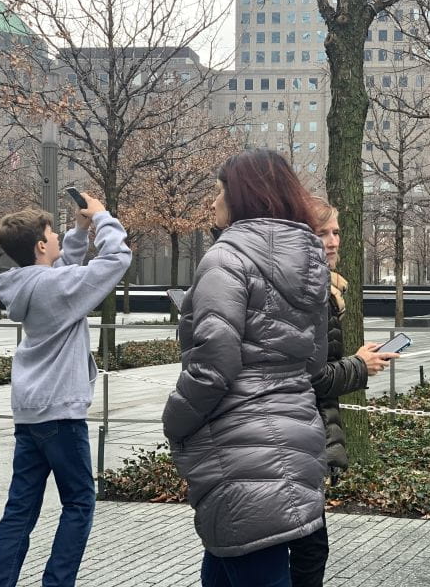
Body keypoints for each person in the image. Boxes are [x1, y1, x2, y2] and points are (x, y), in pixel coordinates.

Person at [162, 149, 330, 587]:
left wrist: (175, 420)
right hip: (296, 433)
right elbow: (313, 359)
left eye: (220, 191)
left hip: (238, 440)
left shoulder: (226, 258)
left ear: (243, 196)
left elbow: (213, 362)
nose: (213, 201)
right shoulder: (311, 262)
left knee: (250, 564)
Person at [0, 195, 132, 587]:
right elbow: (116, 260)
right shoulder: (56, 286)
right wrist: (102, 218)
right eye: (52, 233)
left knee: (20, 510)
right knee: (80, 504)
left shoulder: (29, 284)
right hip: (61, 415)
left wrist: (79, 232)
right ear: (40, 246)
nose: (57, 236)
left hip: (29, 413)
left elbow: (65, 273)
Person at [287, 197, 399, 587]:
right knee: (308, 549)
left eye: (335, 232)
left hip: (303, 434)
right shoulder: (312, 293)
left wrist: (354, 359)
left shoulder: (324, 289)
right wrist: (358, 367)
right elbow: (308, 376)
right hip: (299, 435)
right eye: (322, 233)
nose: (333, 241)